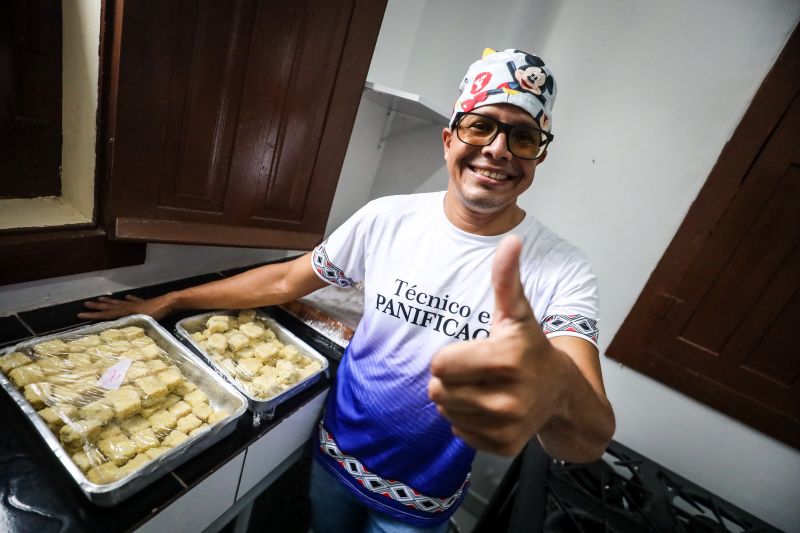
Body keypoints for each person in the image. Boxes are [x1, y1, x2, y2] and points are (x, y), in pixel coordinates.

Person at [80, 48, 615, 532]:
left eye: (522, 138)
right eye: (481, 127)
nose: (498, 150)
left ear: (538, 157)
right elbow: (288, 279)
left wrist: (554, 384)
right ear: (451, 137)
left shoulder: (560, 269)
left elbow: (585, 442)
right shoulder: (387, 217)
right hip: (335, 454)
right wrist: (171, 301)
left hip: (423, 496)